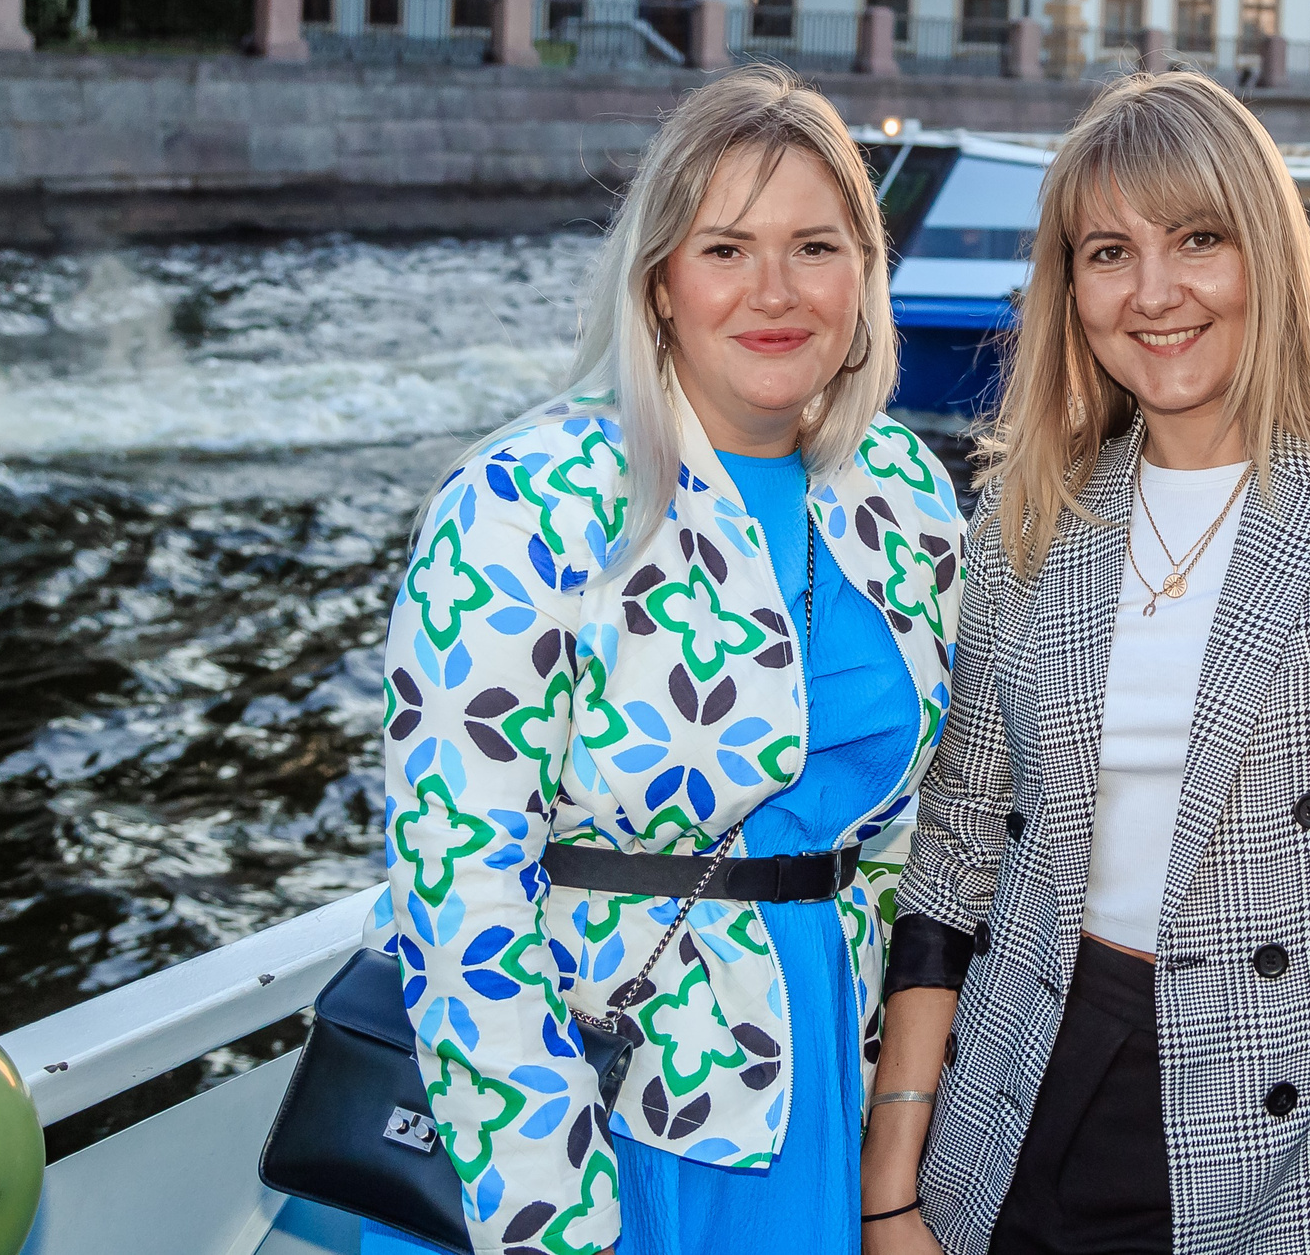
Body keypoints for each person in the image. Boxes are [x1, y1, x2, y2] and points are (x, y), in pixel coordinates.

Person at [861, 72, 1310, 1255]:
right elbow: (959, 851)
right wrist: (893, 1174)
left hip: (1298, 1135)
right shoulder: (1033, 518)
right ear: (1068, 288)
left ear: (1265, 255)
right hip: (1019, 1105)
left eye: (1197, 240)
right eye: (1108, 253)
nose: (1155, 293)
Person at [374, 66, 966, 1255]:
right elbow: (454, 883)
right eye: (726, 249)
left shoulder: (902, 493)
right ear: (658, 284)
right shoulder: (529, 498)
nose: (775, 293)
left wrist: (908, 1122)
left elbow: (932, 836)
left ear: (864, 276)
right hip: (614, 1105)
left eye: (815, 247)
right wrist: (552, 1213)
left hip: (837, 1089)